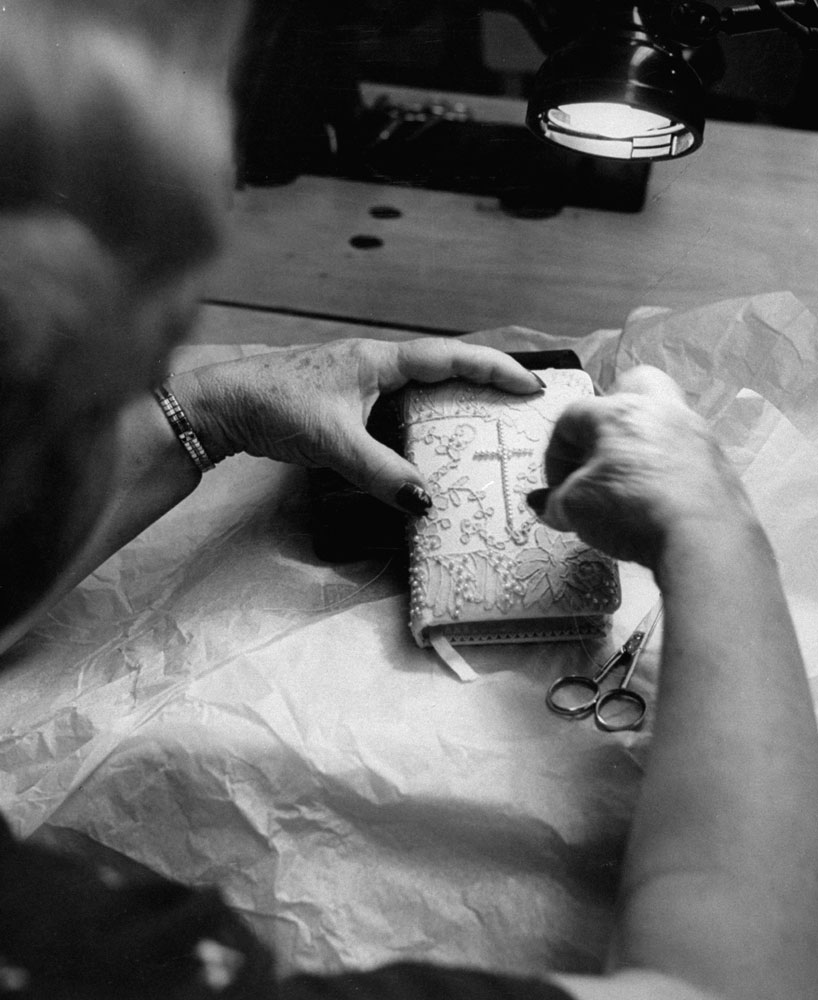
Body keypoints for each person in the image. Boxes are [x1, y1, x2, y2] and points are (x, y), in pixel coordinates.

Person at [1, 3, 817, 999]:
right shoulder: (96, 964)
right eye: (141, 360)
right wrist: (713, 530)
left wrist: (205, 407)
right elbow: (727, 986)